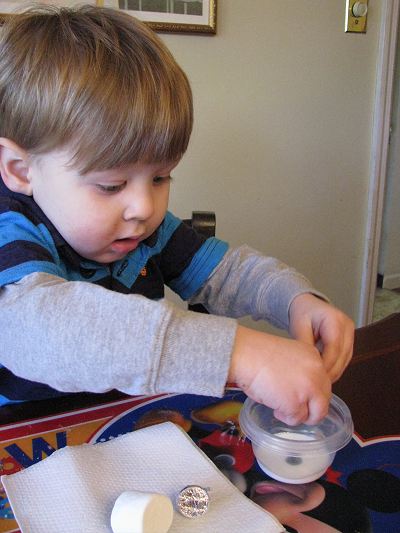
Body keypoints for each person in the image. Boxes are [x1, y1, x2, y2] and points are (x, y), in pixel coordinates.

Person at [0, 5, 353, 425]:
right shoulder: (12, 231)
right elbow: (43, 330)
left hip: (124, 423)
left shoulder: (145, 230)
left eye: (161, 177)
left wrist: (296, 300)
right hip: (23, 443)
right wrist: (239, 353)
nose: (145, 208)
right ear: (21, 171)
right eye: (111, 186)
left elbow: (228, 273)